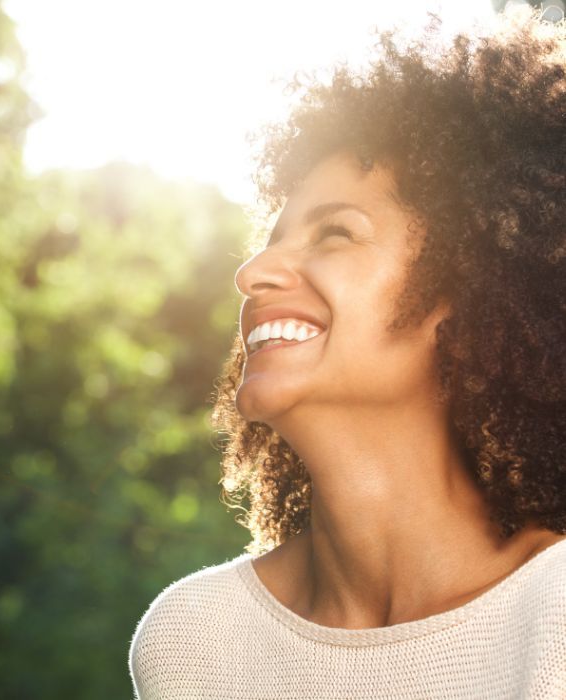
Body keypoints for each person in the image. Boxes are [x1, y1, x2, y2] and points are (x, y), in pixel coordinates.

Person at [129, 10, 566, 699]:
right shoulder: (195, 640)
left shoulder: (555, 619)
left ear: (469, 290)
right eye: (269, 240)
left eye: (335, 233)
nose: (255, 272)